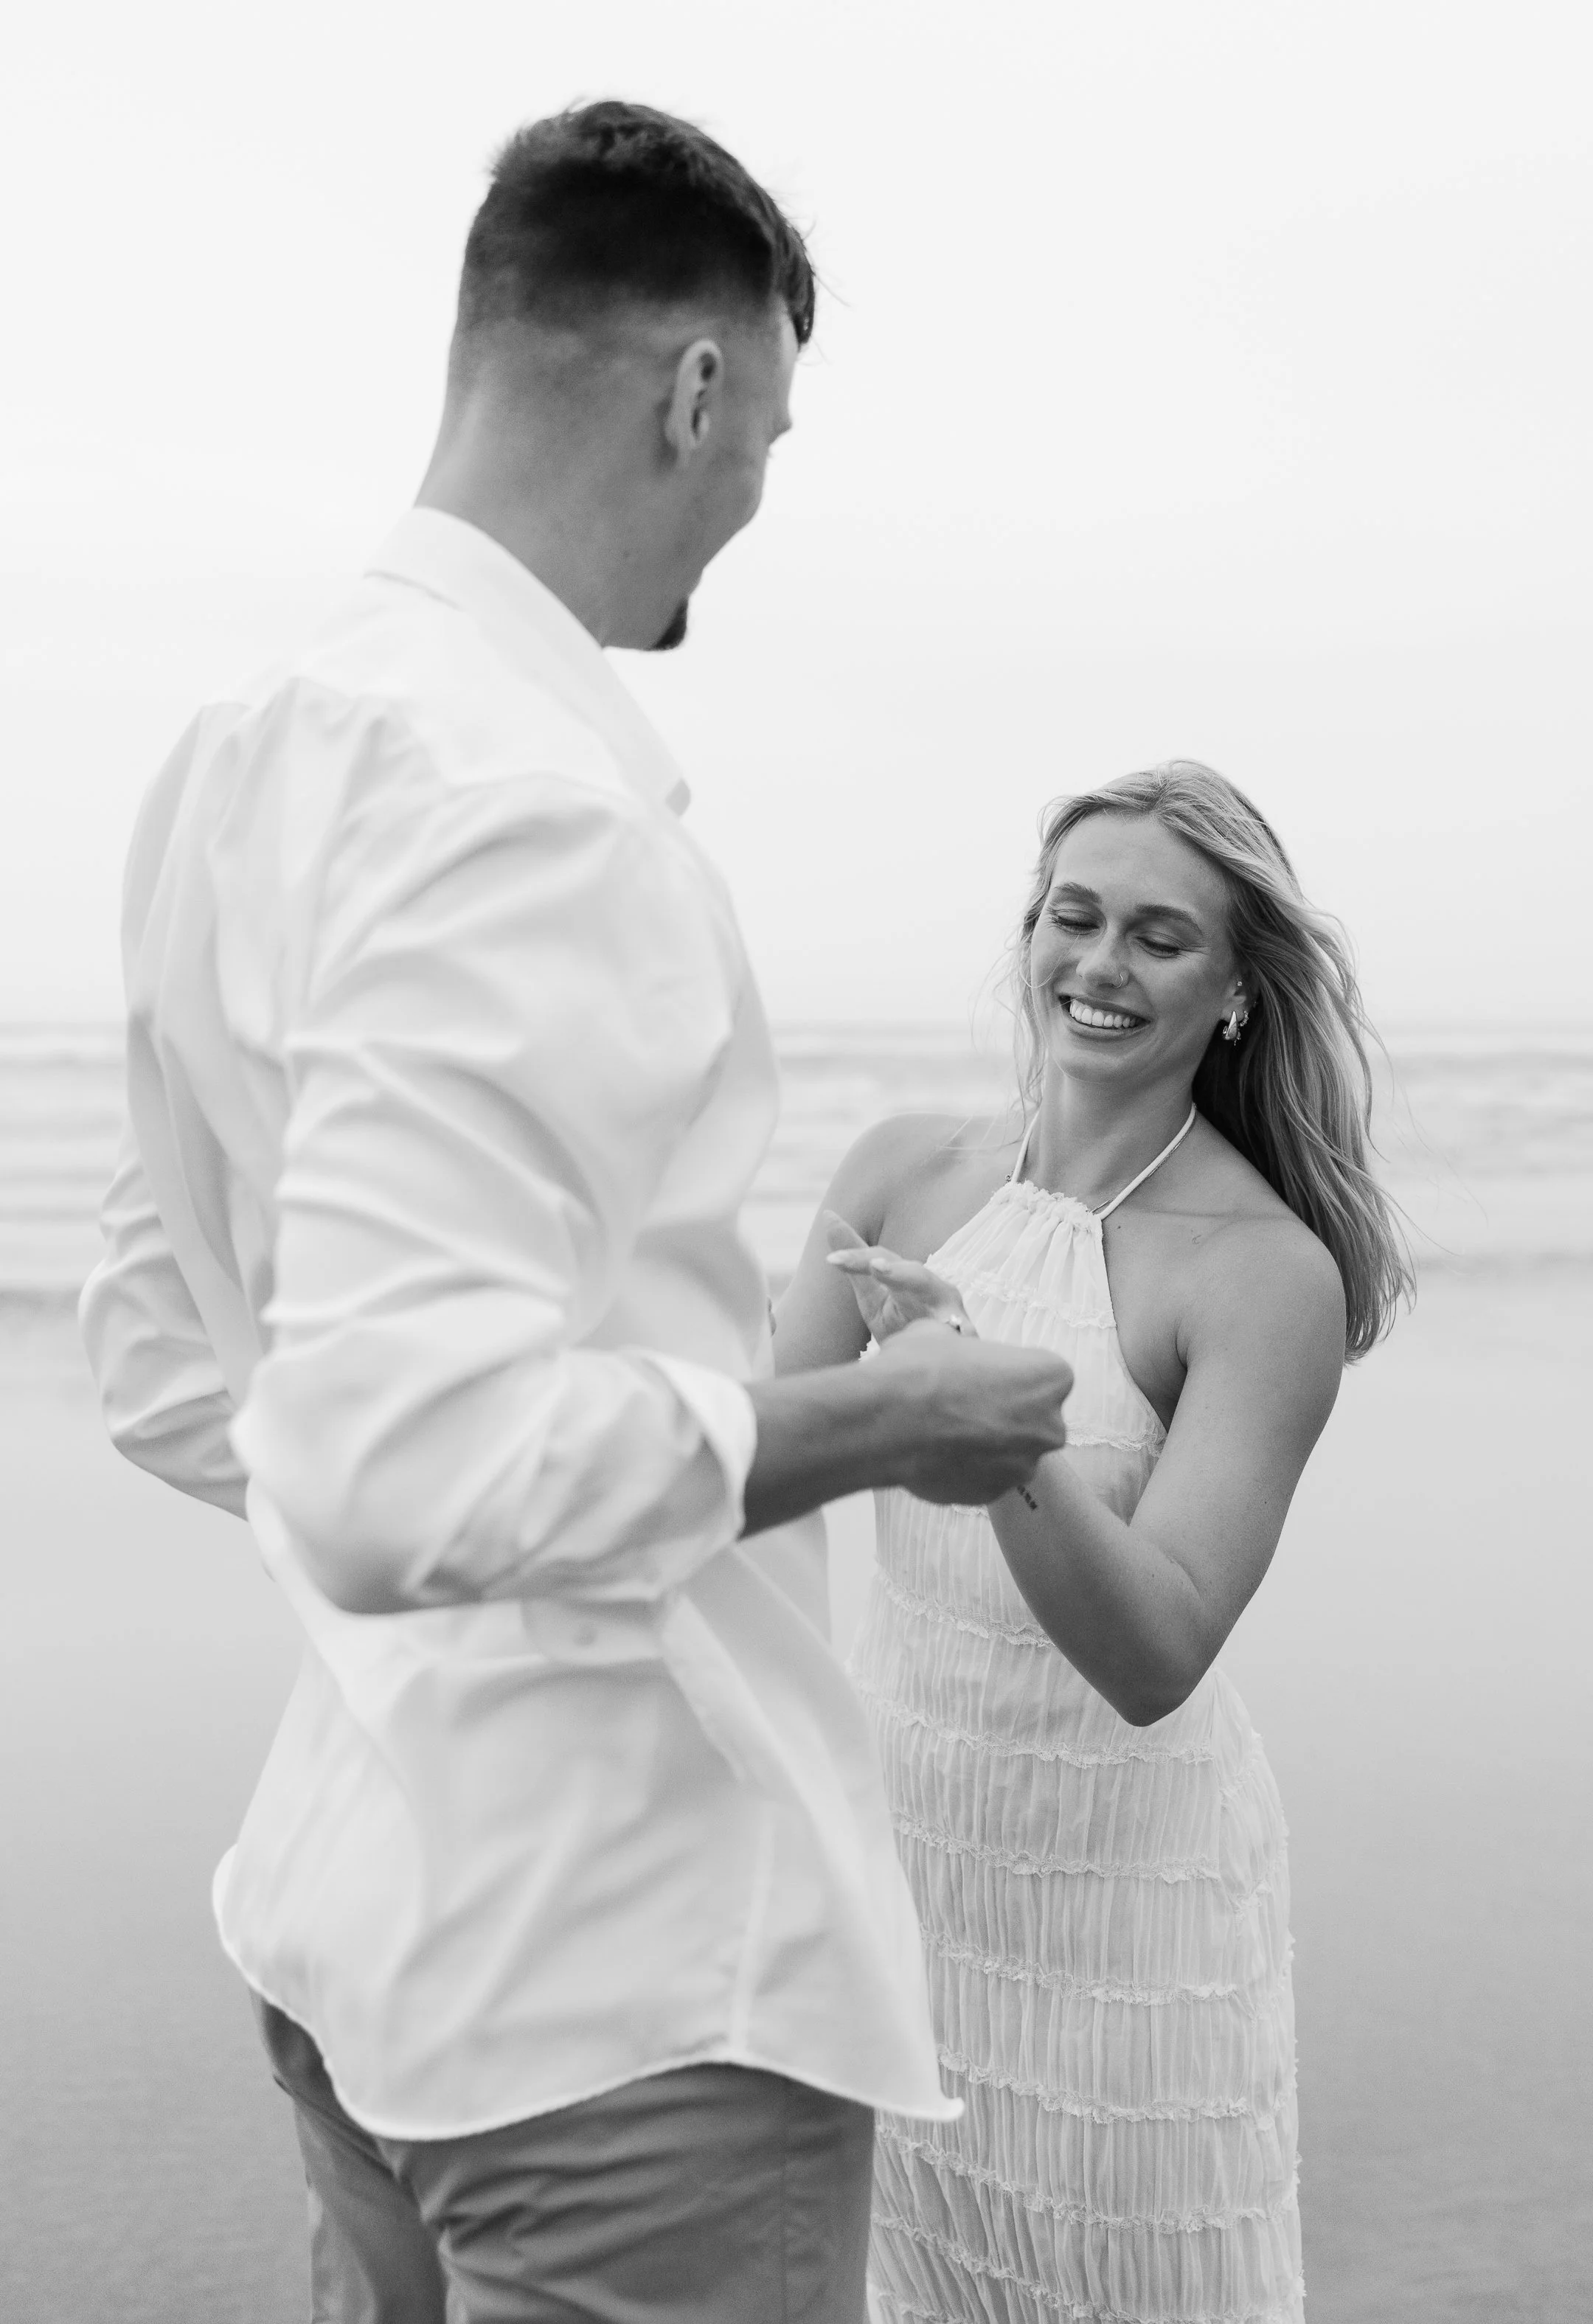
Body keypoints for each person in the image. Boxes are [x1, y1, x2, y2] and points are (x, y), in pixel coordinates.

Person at [77, 103, 1075, 2323]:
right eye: (768, 438)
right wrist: (875, 1420)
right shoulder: (532, 804)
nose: (747, 506)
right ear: (693, 387)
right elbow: (383, 1462)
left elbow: (173, 1359)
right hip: (630, 2008)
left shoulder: (246, 752)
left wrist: (461, 1523)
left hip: (362, 1933)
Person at [776, 761, 1414, 2324]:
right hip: (915, 1872)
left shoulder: (1265, 1275)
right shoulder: (901, 1175)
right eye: (1075, 918)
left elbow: (1157, 1652)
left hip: (1135, 1919)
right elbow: (744, 1473)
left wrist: (983, 1420)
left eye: (1159, 937)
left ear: (1241, 994)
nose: (1100, 966)